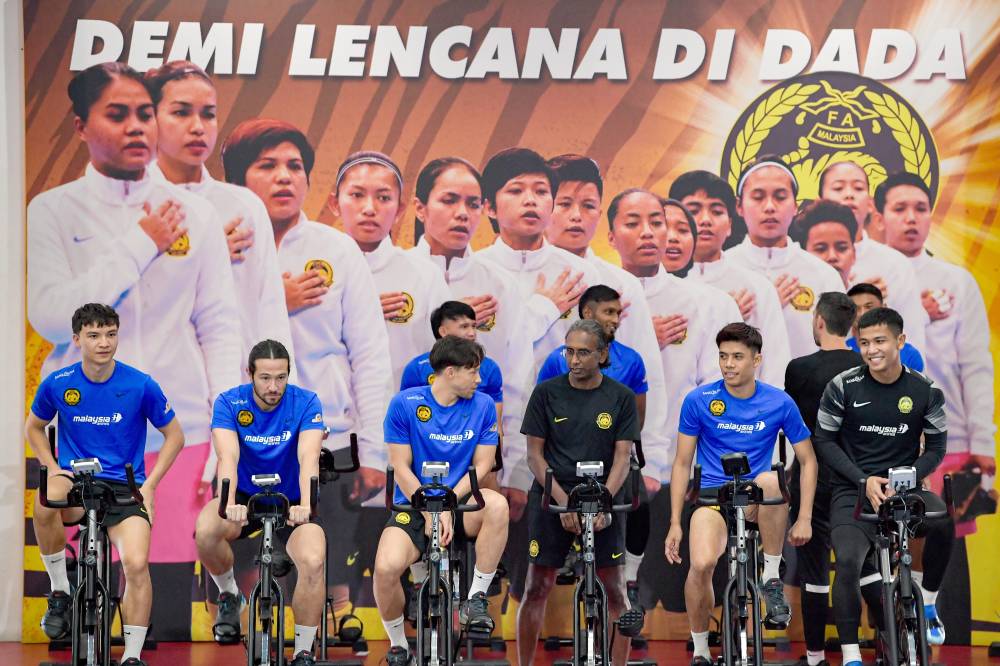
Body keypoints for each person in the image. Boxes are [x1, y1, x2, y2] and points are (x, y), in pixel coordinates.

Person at [27, 62, 241, 568]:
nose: (136, 128)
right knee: (87, 593)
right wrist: (139, 245)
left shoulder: (195, 212)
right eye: (117, 115)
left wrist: (222, 424)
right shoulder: (53, 210)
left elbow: (218, 323)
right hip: (80, 426)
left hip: (175, 426)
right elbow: (55, 318)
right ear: (81, 126)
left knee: (163, 595)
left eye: (144, 114)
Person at [222, 119, 392, 620]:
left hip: (328, 438)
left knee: (324, 567)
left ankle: (321, 632)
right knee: (250, 567)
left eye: (295, 166)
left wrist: (374, 452)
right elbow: (201, 337)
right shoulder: (218, 246)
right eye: (267, 165)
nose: (284, 177)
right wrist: (276, 298)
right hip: (244, 436)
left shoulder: (336, 249)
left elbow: (369, 355)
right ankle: (251, 616)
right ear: (237, 178)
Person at [542, 155, 671, 600]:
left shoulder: (621, 285)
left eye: (588, 205)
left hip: (609, 446)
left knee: (612, 573)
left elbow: (643, 373)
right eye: (564, 203)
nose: (577, 216)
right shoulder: (521, 277)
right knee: (534, 573)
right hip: (542, 446)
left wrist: (650, 459)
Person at [27, 304, 184, 666]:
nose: (104, 343)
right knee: (45, 501)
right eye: (95, 335)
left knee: (135, 563)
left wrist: (151, 486)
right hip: (77, 485)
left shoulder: (140, 384)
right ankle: (60, 590)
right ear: (77, 339)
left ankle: (131, 655)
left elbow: (174, 436)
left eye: (110, 334)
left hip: (124, 489)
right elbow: (33, 427)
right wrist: (52, 467)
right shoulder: (59, 382)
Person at [610, 190, 742, 613]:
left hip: (685, 467)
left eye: (659, 223)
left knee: (688, 586)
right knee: (618, 590)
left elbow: (718, 388)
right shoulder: (598, 299)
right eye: (635, 223)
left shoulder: (708, 302)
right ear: (611, 234)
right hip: (614, 461)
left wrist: (703, 462)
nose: (650, 233)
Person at [665, 323, 817, 666]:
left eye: (737, 357)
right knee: (702, 563)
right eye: (723, 356)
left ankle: (771, 576)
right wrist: (675, 521)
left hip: (755, 501)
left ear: (757, 360)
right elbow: (681, 463)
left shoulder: (779, 402)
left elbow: (808, 460)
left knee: (772, 480)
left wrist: (804, 517)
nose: (728, 364)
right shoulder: (699, 400)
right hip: (711, 499)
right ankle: (702, 649)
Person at [813, 307, 954, 663]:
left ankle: (927, 602)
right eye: (864, 343)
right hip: (854, 489)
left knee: (943, 523)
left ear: (900, 341)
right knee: (846, 560)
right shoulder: (842, 386)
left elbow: (936, 447)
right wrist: (864, 480)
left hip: (904, 488)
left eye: (880, 341)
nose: (872, 349)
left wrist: (903, 476)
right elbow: (824, 442)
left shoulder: (926, 390)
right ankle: (850, 655)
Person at [406, 156, 535, 525]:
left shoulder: (500, 284)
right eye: (449, 201)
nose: (462, 213)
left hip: (477, 454)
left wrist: (515, 470)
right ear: (419, 207)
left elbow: (515, 381)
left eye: (472, 203)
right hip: (408, 447)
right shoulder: (395, 276)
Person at [144, 61, 293, 380]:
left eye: (208, 114)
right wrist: (206, 256)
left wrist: (284, 398)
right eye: (181, 112)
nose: (198, 126)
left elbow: (270, 313)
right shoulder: (134, 204)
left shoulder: (244, 205)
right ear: (150, 118)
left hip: (237, 395)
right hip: (156, 395)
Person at [475, 148, 602, 506]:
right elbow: (490, 358)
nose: (530, 200)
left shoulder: (580, 274)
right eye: (516, 190)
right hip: (485, 438)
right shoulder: (475, 272)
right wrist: (542, 309)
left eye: (541, 191)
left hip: (564, 439)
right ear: (489, 207)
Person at [376, 336, 509, 666]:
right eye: (473, 372)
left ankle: (475, 598)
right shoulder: (404, 404)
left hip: (461, 504)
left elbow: (483, 465)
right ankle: (398, 644)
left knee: (497, 505)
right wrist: (430, 508)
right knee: (385, 567)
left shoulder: (481, 406)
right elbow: (401, 467)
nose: (479, 380)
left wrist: (448, 504)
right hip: (414, 505)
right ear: (450, 372)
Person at [194, 340, 326, 665]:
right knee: (207, 530)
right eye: (265, 378)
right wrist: (228, 504)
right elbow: (228, 457)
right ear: (249, 373)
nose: (273, 386)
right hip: (243, 497)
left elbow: (309, 457)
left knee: (313, 559)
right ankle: (228, 593)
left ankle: (304, 650)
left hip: (292, 501)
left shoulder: (306, 402)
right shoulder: (229, 402)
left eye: (281, 378)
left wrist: (306, 505)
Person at [518, 319, 639, 666]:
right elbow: (534, 456)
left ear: (602, 354)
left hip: (605, 495)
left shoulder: (621, 397)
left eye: (584, 352)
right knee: (536, 587)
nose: (574, 359)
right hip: (553, 496)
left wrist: (604, 504)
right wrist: (563, 501)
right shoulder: (546, 393)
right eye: (569, 351)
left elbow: (621, 458)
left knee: (615, 589)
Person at [875, 172, 995, 480]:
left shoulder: (956, 281)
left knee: (947, 528)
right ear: (879, 217)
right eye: (900, 209)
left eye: (921, 208)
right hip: (877, 435)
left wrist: (982, 439)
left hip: (948, 435)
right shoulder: (867, 279)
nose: (911, 218)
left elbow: (975, 365)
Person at [783, 293, 869, 666]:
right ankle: (884, 647)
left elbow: (793, 430)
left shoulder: (799, 368)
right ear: (851, 326)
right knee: (864, 569)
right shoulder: (865, 366)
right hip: (859, 478)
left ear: (818, 321)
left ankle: (816, 657)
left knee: (815, 573)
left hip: (811, 477)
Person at [670, 170, 791, 387]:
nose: (705, 220)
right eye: (693, 210)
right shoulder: (657, 284)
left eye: (716, 211)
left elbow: (775, 368)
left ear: (730, 225)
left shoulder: (758, 288)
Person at [725, 156, 844, 358]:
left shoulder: (824, 275)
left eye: (780, 197)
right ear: (739, 206)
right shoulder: (722, 270)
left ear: (796, 205)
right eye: (758, 197)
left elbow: (839, 352)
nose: (770, 206)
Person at [817, 160, 928, 351]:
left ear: (869, 204)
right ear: (820, 201)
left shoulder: (894, 263)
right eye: (838, 188)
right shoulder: (804, 258)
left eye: (858, 188)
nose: (849, 194)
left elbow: (912, 339)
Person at [846, 283, 924, 371]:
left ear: (884, 307)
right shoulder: (842, 351)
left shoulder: (909, 354)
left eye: (868, 307)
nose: (862, 313)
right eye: (856, 308)